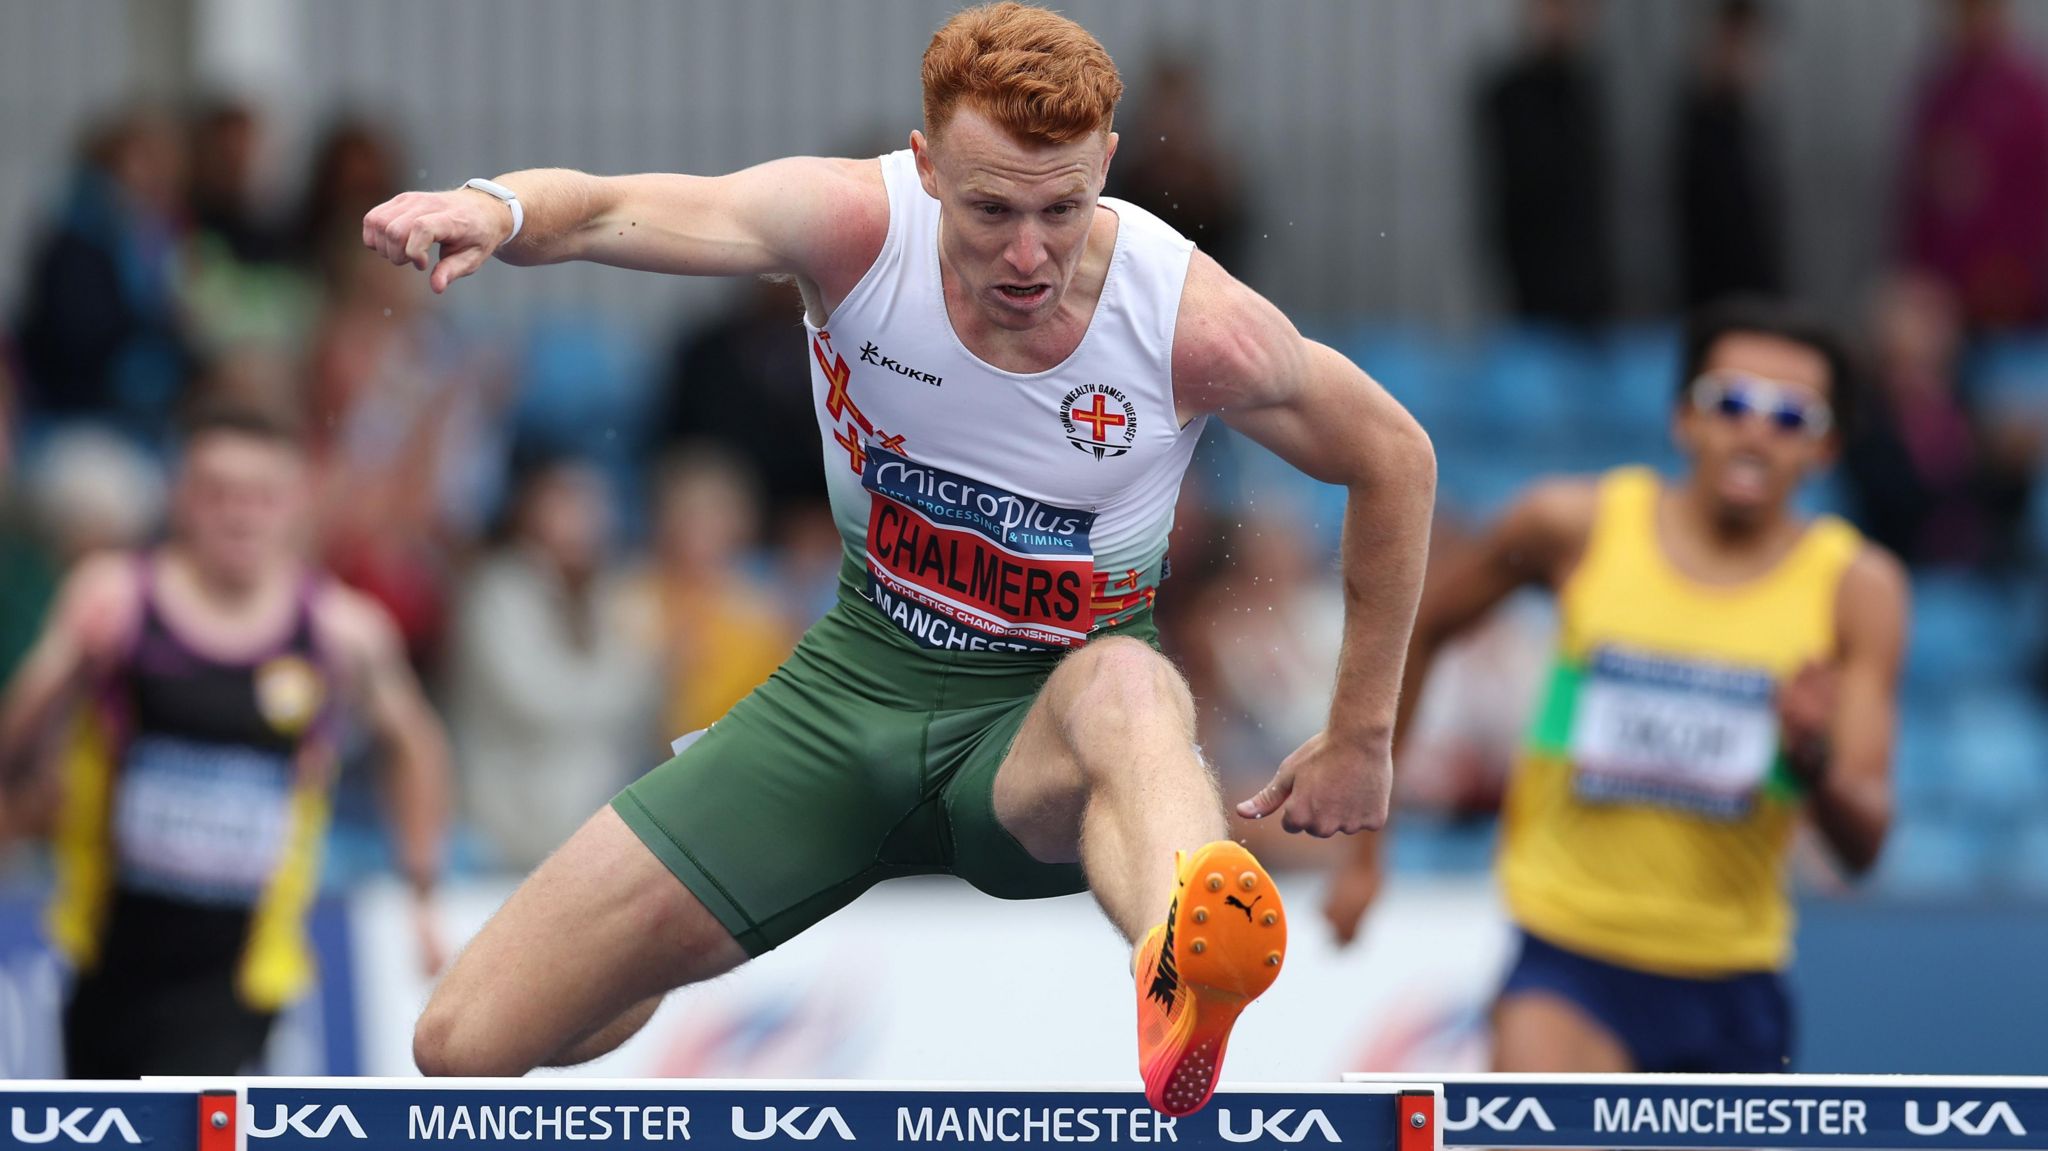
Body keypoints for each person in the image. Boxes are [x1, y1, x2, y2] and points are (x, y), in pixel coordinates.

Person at [364, 1, 1433, 1114]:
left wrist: (1359, 730)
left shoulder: (1191, 323)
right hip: (848, 697)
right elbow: (617, 208)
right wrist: (494, 204)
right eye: (989, 209)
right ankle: (670, 946)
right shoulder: (851, 227)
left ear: (1107, 165)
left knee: (1125, 679)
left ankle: (1179, 960)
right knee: (461, 1041)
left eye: (1062, 208)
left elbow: (1392, 456)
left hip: (1040, 732)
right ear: (925, 167)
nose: (1027, 255)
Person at [1325, 300, 1908, 1074]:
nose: (1756, 429)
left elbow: (1864, 843)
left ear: (1825, 447)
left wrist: (1810, 755)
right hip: (1566, 962)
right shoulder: (1576, 527)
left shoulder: (1857, 590)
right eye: (1730, 402)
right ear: (1682, 419)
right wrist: (1367, 846)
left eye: (1790, 415)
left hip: (1732, 978)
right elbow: (1420, 624)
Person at [0, 402, 451, 1076]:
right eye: (218, 493)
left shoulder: (339, 632)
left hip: (244, 971)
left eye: (263, 495)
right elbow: (19, 733)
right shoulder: (116, 602)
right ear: (181, 496)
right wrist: (62, 681)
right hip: (107, 952)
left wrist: (421, 890)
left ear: (298, 503)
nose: (240, 514)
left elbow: (417, 747)